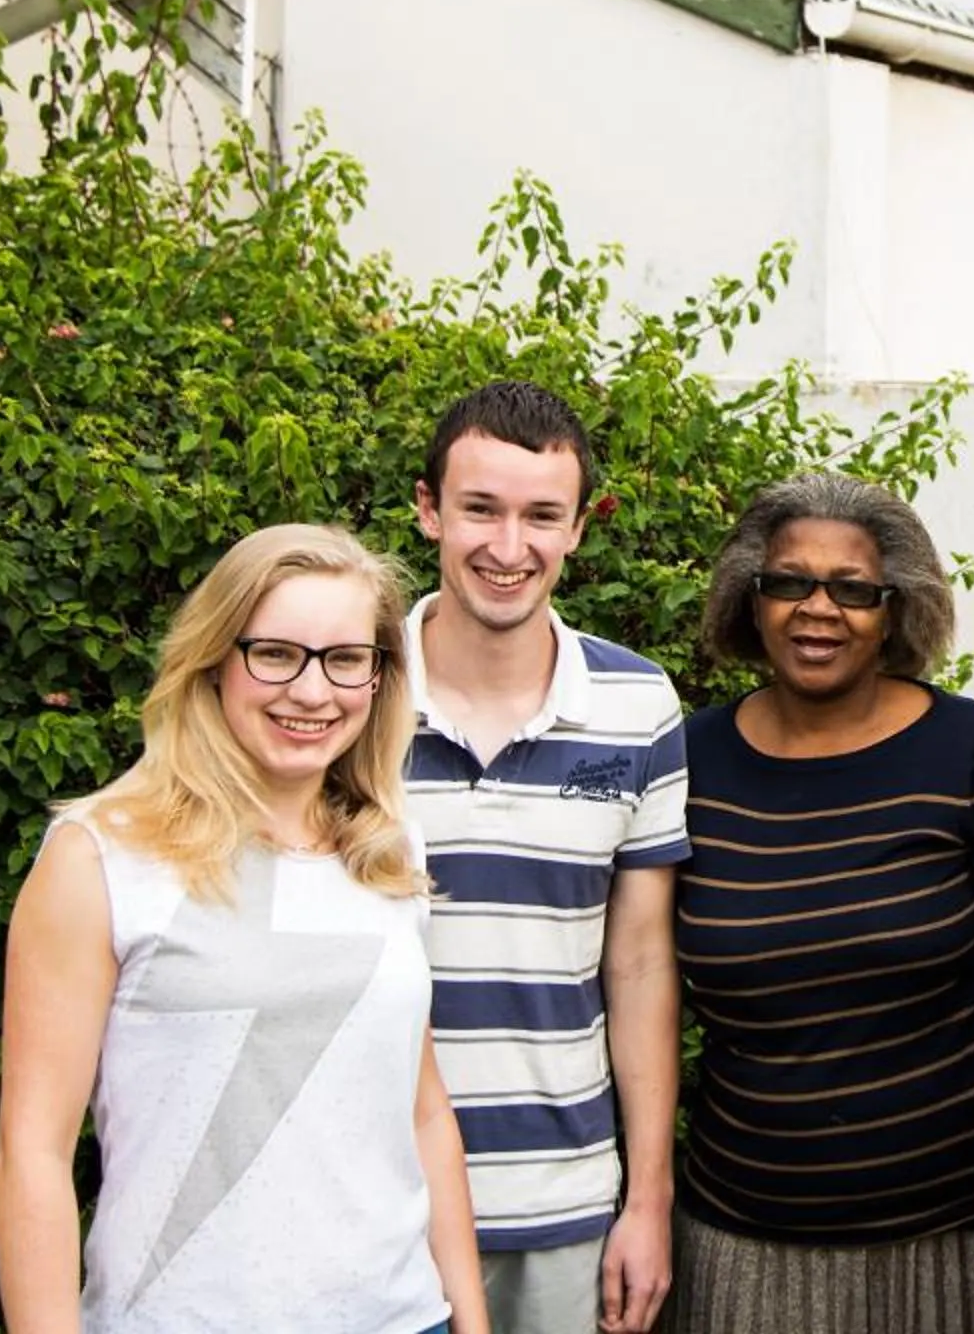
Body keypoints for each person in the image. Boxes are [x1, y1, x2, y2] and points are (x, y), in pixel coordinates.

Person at [0, 522, 490, 1334]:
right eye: (275, 653)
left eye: (345, 659)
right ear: (215, 660)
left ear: (379, 677)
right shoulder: (100, 857)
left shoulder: (390, 848)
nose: (312, 691)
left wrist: (469, 1319)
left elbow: (421, 1108)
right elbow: (33, 1154)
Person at [667, 472, 974, 1334]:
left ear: (896, 611)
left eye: (853, 589)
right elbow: (644, 991)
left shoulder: (967, 751)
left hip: (955, 1243)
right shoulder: (690, 763)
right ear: (750, 598)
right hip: (744, 1246)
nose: (818, 609)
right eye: (789, 582)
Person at [402, 384, 689, 1334]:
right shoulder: (345, 691)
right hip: (372, 1199)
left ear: (577, 532)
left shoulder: (638, 703)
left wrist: (646, 1203)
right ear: (428, 509)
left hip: (562, 1208)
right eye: (480, 508)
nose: (508, 546)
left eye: (541, 517)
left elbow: (641, 964)